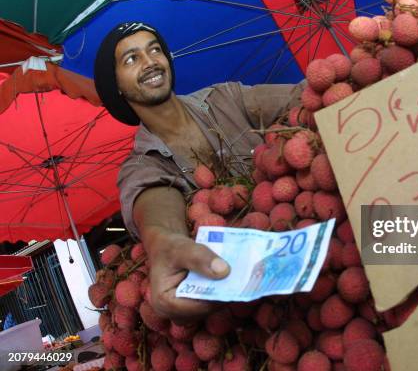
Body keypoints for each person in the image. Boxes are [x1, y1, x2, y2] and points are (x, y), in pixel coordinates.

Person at [94, 22, 304, 322]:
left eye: (155, 50)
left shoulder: (225, 99)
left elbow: (302, 96)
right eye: (132, 58)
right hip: (247, 307)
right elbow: (152, 199)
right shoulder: (142, 166)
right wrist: (164, 239)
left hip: (303, 240)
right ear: (116, 85)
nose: (150, 61)